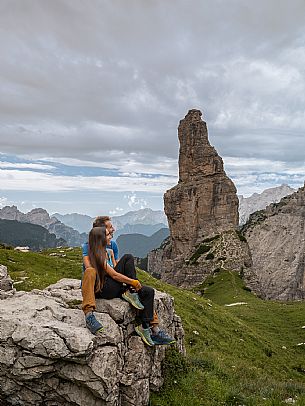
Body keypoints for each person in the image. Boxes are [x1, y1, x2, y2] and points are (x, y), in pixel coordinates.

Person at [82, 225, 175, 346]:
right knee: (127, 258)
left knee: (148, 292)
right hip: (104, 288)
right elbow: (114, 275)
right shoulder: (96, 254)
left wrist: (131, 281)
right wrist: (132, 282)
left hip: (114, 287)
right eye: (108, 235)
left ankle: (150, 329)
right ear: (100, 239)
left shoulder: (107, 252)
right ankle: (89, 316)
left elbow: (116, 269)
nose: (111, 236)